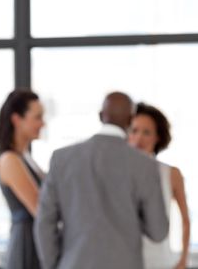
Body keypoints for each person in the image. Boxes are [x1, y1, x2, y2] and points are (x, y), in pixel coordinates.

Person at [34, 92, 168, 269]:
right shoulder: (145, 166)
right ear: (130, 119)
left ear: (100, 116)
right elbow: (158, 232)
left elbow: (45, 222)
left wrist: (55, 265)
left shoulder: (62, 159)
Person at [129, 103, 190, 269]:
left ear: (157, 137)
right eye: (134, 131)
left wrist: (183, 260)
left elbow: (185, 220)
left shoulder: (171, 174)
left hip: (160, 262)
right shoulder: (118, 173)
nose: (139, 138)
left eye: (146, 132)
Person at [0, 89, 46, 269]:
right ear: (17, 119)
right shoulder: (9, 160)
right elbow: (41, 208)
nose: (43, 123)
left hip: (33, 242)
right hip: (26, 245)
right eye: (37, 117)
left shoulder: (25, 157)